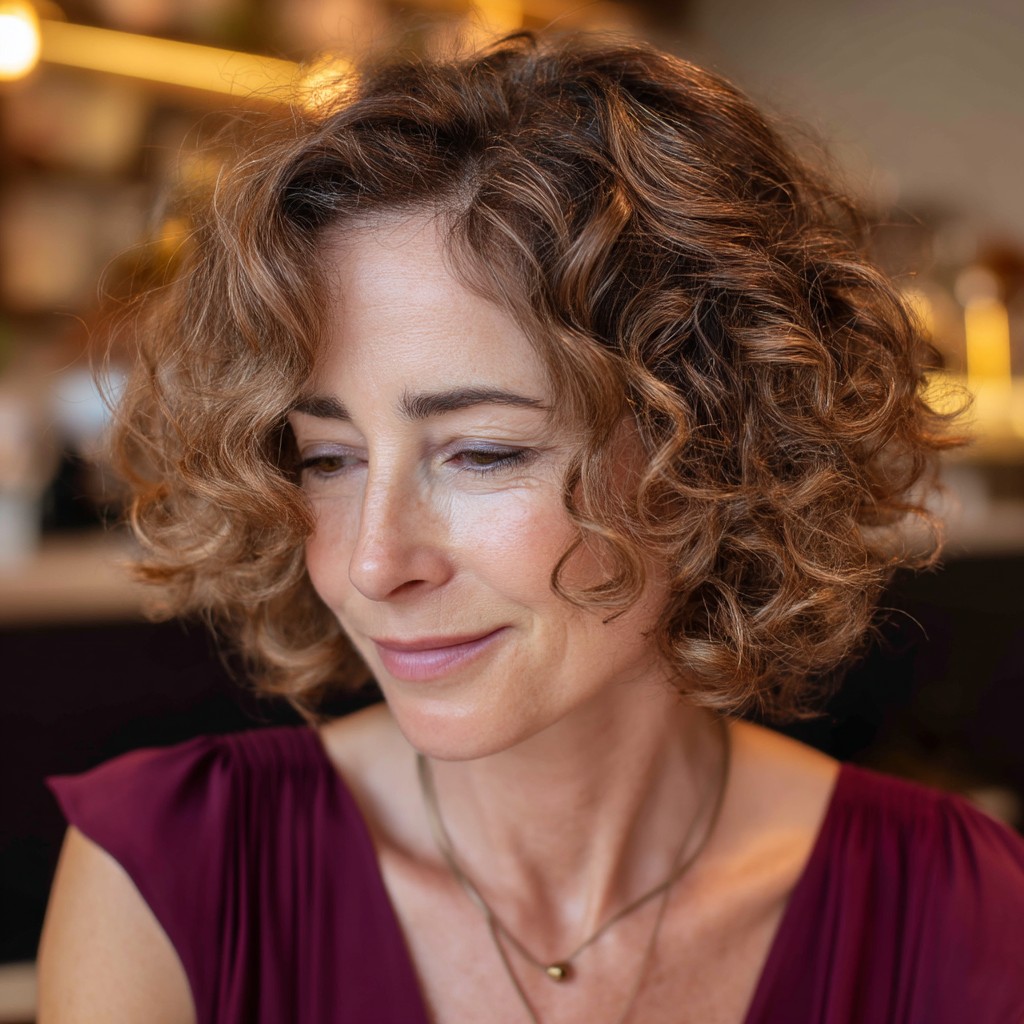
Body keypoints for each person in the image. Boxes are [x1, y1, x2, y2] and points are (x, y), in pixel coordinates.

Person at [37, 30, 1024, 1024]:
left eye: (481, 453)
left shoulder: (955, 904)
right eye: (327, 459)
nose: (373, 563)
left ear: (713, 450)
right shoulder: (167, 875)